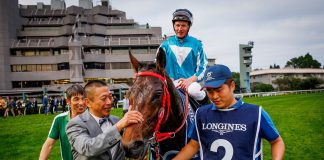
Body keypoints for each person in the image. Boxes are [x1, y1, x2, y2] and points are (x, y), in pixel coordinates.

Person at [173, 64, 285, 160]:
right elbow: (193, 145)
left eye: (219, 90)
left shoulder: (256, 113)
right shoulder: (201, 114)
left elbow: (276, 141)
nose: (214, 96)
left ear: (232, 86)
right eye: (210, 91)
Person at [66, 80, 144, 160]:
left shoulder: (116, 120)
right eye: (103, 99)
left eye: (110, 97)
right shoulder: (75, 124)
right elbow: (88, 148)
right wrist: (118, 127)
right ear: (88, 102)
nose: (109, 102)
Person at [159, 9, 209, 104]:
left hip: (189, 84)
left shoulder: (197, 44)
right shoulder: (165, 45)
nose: (180, 29)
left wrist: (190, 80)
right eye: (177, 25)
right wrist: (167, 78)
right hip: (168, 82)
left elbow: (203, 67)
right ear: (174, 26)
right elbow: (158, 65)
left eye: (183, 26)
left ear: (188, 26)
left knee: (195, 90)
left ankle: (208, 112)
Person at [39, 84, 86, 160]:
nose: (81, 103)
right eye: (76, 99)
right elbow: (49, 145)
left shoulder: (94, 118)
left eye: (83, 98)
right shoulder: (59, 119)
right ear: (68, 101)